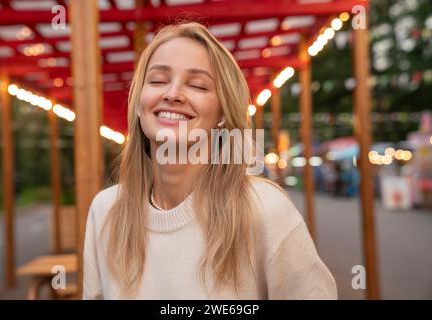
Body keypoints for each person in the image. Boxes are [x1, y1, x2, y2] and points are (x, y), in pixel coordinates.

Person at [83, 22, 337, 299]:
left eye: (197, 85)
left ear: (222, 114)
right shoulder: (105, 211)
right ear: (139, 102)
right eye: (157, 80)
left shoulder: (265, 211)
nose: (172, 93)